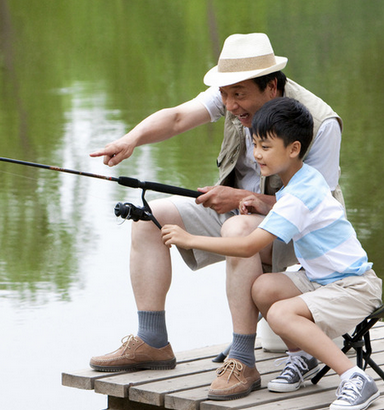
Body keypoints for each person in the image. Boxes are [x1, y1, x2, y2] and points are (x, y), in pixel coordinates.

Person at [89, 33, 344, 400]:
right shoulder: (232, 96)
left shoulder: (321, 123)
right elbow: (177, 118)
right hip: (237, 214)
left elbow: (315, 207)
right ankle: (152, 341)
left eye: (238, 95)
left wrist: (239, 197)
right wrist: (130, 140)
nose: (230, 104)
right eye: (225, 94)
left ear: (271, 86)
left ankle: (242, 360)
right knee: (149, 216)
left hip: (303, 233)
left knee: (239, 227)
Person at [161, 97, 382, 409]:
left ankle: (355, 378)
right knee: (263, 288)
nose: (256, 154)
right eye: (254, 144)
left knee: (279, 312)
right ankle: (303, 356)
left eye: (265, 146)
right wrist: (264, 203)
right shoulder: (302, 180)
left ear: (293, 149)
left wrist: (190, 238)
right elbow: (294, 207)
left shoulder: (300, 191)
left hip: (355, 287)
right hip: (323, 280)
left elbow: (248, 245)